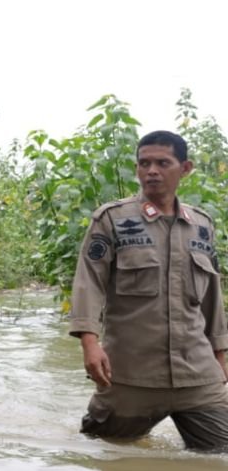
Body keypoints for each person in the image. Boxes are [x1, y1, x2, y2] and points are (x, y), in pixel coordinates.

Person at [70, 130, 228, 451]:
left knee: (220, 456)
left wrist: (221, 355)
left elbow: (211, 295)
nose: (151, 171)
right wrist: (89, 342)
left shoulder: (201, 225)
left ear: (185, 168)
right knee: (103, 450)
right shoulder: (112, 219)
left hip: (197, 376)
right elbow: (89, 281)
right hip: (131, 376)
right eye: (144, 163)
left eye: (162, 163)